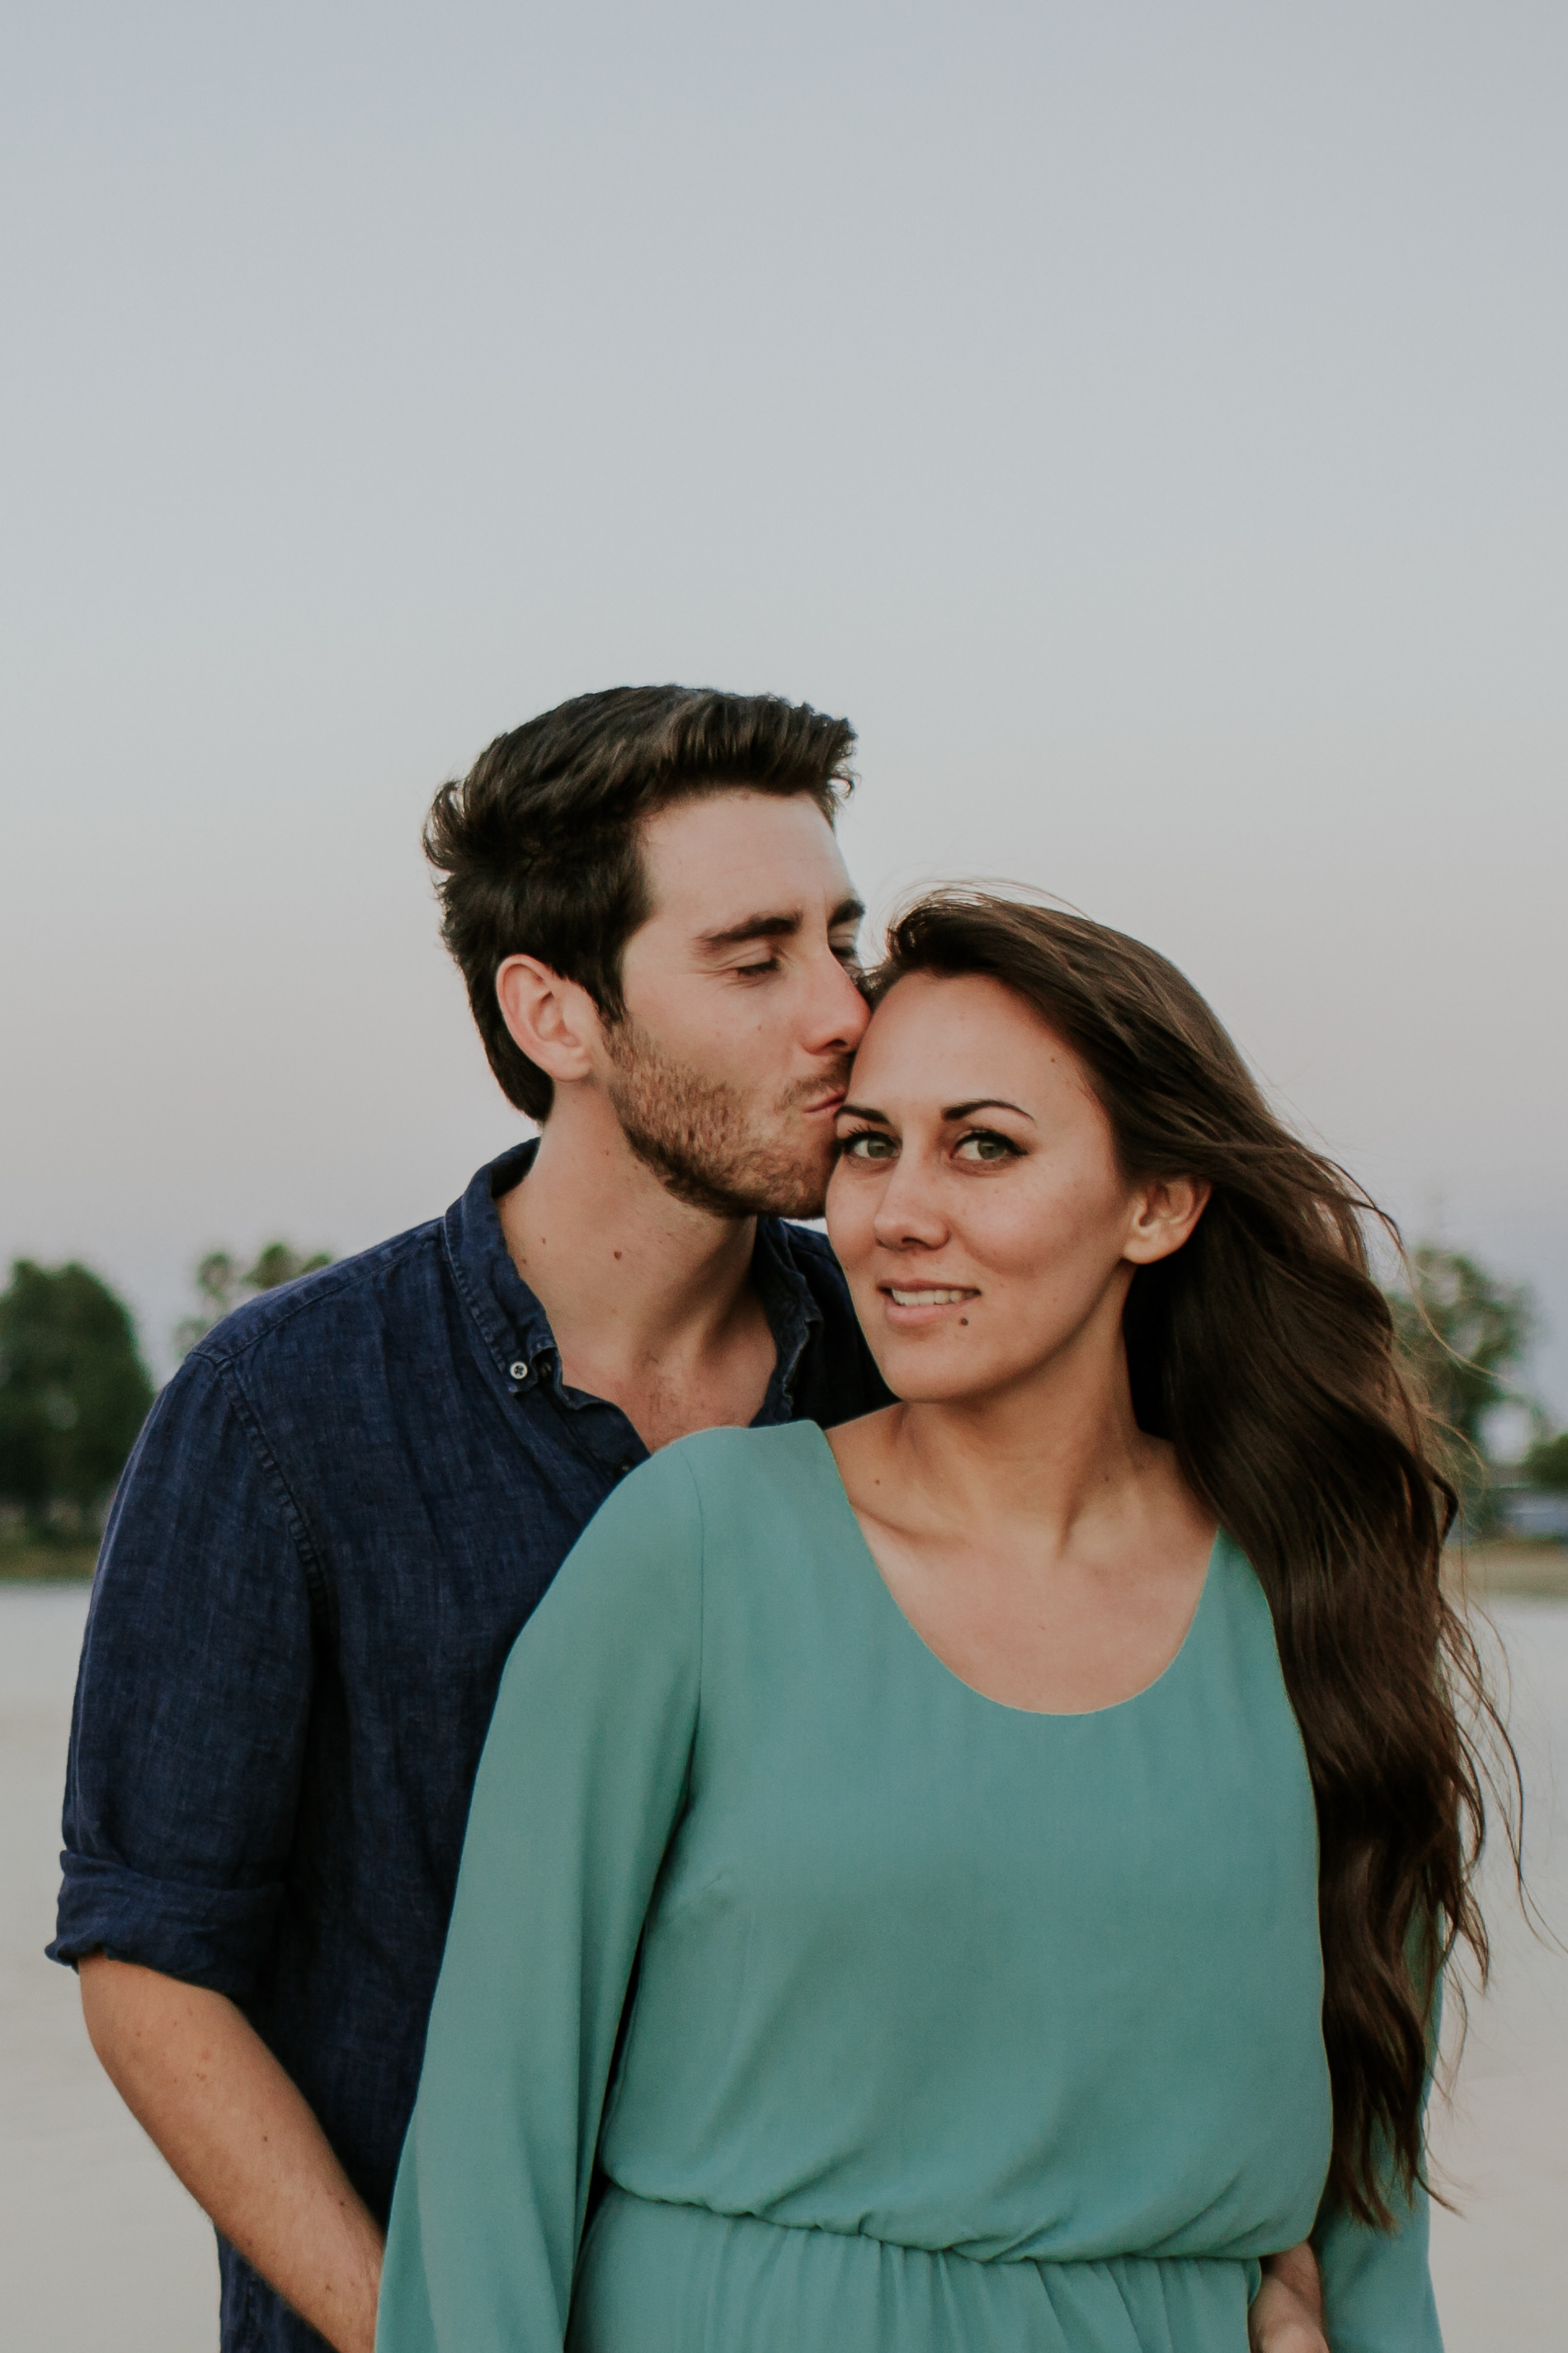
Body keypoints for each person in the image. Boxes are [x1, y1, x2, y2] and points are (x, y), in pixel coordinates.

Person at [376, 890, 1495, 2353]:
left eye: (985, 1146)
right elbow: (489, 2147)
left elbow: (1370, 2216)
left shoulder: (1316, 1594)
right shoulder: (696, 1552)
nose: (899, 1213)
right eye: (866, 1145)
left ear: (1156, 1203)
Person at [49, 686, 896, 2353]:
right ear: (555, 1012)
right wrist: (427, 2333)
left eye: (843, 939)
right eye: (756, 957)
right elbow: (154, 1965)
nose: (845, 1013)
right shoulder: (277, 1411)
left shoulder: (911, 1369)